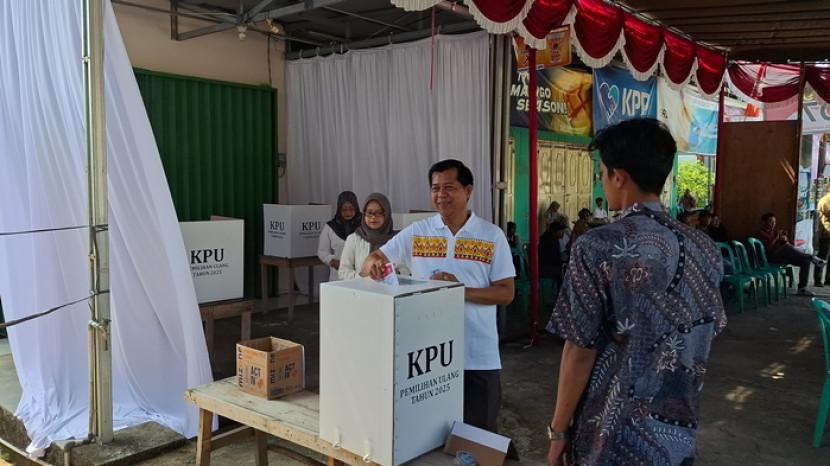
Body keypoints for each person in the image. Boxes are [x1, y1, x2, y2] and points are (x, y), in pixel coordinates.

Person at [545, 119, 727, 466]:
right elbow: (708, 328)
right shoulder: (705, 247)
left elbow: (579, 350)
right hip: (678, 433)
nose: (601, 180)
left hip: (610, 437)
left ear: (619, 176)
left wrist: (558, 430)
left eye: (601, 172)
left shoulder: (597, 246)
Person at [362, 159, 515, 433]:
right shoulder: (418, 232)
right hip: (426, 359)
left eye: (449, 187)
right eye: (435, 188)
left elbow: (506, 293)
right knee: (428, 435)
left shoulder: (491, 236)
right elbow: (375, 258)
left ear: (468, 191)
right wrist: (373, 263)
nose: (441, 195)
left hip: (476, 355)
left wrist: (458, 291)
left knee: (478, 436)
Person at [758, 213, 825, 296]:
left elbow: (778, 244)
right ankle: (813, 258)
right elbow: (768, 249)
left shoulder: (773, 232)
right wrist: (777, 238)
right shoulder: (760, 234)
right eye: (770, 222)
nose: (773, 224)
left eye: (774, 222)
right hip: (771, 259)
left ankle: (802, 288)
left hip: (781, 256)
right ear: (763, 222)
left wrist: (783, 239)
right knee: (787, 247)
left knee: (805, 261)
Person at [338, 193, 397, 281]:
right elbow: (343, 272)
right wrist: (364, 278)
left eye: (379, 213)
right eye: (369, 213)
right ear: (364, 214)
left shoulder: (396, 240)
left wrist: (391, 276)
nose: (373, 217)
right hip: (360, 288)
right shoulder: (353, 239)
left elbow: (405, 270)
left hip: (391, 288)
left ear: (387, 214)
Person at [318, 191, 361, 281]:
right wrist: (333, 261)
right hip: (338, 276)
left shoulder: (364, 226)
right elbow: (322, 252)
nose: (348, 213)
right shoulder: (330, 227)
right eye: (344, 209)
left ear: (356, 208)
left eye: (351, 209)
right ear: (339, 209)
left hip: (359, 276)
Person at [540, 221, 568, 285]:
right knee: (564, 271)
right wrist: (563, 260)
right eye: (561, 230)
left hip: (550, 266)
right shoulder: (548, 241)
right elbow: (552, 259)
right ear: (554, 231)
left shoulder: (554, 240)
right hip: (545, 268)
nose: (563, 232)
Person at [815, 189, 830, 287]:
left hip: (827, 232)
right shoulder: (825, 200)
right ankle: (818, 279)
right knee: (822, 257)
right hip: (826, 232)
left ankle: (828, 279)